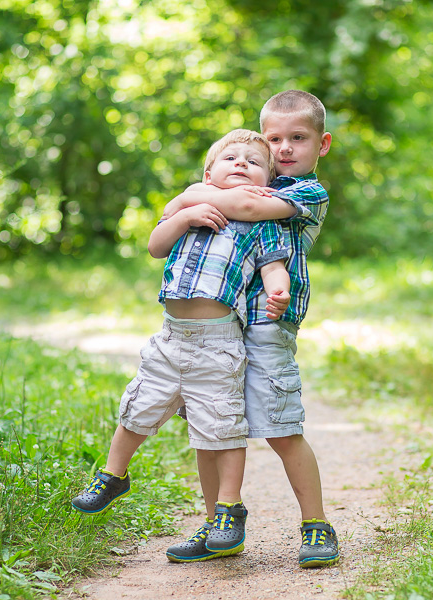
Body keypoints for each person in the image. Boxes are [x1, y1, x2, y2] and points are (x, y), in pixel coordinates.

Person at [71, 129, 292, 560]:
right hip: (170, 337)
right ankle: (113, 474)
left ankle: (228, 507)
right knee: (139, 405)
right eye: (232, 158)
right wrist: (184, 217)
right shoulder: (191, 206)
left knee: (223, 426)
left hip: (218, 343)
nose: (242, 163)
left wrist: (278, 292)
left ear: (265, 183)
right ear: (208, 175)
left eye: (253, 161)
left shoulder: (263, 224)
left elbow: (273, 268)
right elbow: (155, 246)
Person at [160, 90, 338, 568]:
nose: (283, 149)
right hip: (221, 324)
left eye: (297, 138)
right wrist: (196, 196)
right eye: (274, 138)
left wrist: (195, 195)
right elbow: (182, 211)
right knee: (211, 429)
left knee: (281, 428)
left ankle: (316, 525)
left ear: (321, 145)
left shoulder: (305, 192)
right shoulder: (251, 176)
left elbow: (251, 211)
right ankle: (217, 522)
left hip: (266, 326)